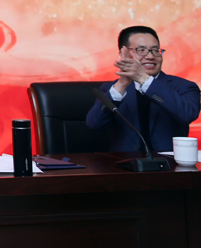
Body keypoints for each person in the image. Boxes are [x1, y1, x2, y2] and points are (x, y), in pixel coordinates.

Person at [86, 25, 200, 153]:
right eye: (141, 50)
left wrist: (145, 80)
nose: (150, 56)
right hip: (125, 163)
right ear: (123, 53)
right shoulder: (110, 89)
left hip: (169, 163)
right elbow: (95, 124)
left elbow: (187, 115)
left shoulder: (183, 86)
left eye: (155, 50)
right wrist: (121, 85)